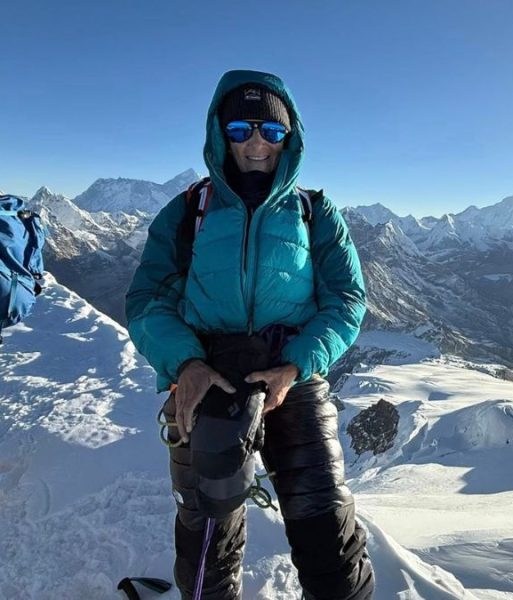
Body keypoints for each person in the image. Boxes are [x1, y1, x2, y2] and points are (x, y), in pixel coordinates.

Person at [125, 70, 374, 600]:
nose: (257, 143)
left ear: (290, 137)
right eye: (241, 129)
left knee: (326, 529)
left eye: (272, 131)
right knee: (207, 536)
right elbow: (148, 300)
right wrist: (186, 363)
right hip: (206, 372)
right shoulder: (187, 211)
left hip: (291, 373)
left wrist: (297, 364)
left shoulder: (315, 212)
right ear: (221, 135)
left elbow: (347, 300)